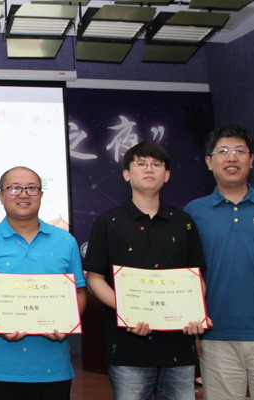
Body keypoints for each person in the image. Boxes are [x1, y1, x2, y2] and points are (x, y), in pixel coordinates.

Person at [84, 141, 208, 400]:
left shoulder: (184, 222)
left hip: (178, 346)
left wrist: (195, 312)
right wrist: (127, 311)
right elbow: (95, 278)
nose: (149, 169)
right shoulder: (108, 222)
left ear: (167, 175)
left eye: (156, 164)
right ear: (126, 174)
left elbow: (196, 277)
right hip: (128, 346)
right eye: (141, 164)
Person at [0, 166, 86, 400]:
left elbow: (79, 292)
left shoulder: (65, 241)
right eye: (15, 188)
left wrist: (67, 323)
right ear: (1, 195)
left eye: (31, 188)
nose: (24, 194)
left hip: (53, 368)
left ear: (41, 194)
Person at [184, 124, 254, 400]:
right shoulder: (193, 212)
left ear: (251, 160)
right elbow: (189, 276)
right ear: (209, 162)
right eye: (223, 151)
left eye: (240, 151)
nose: (232, 157)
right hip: (216, 335)